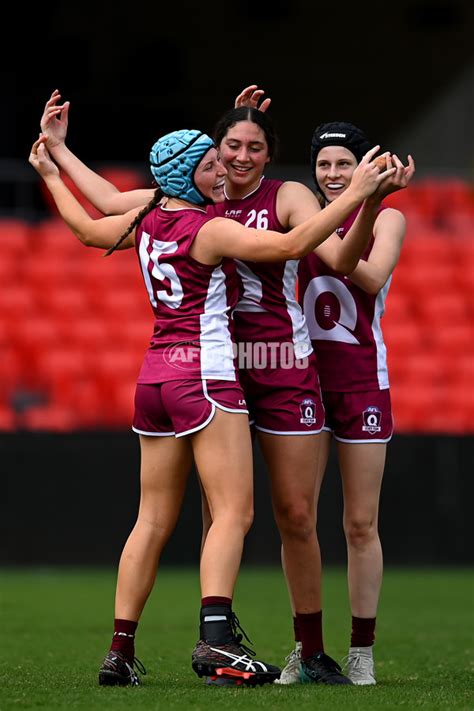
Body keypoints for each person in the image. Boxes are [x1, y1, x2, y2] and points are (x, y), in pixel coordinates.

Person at [38, 88, 410, 687]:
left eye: (253, 147)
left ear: (268, 156)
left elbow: (337, 258)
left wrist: (368, 202)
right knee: (222, 517)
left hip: (280, 366)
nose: (238, 157)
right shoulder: (195, 203)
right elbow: (107, 200)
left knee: (293, 514)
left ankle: (306, 651)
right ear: (208, 158)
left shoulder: (283, 195)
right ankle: (218, 644)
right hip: (220, 372)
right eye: (228, 147)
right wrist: (58, 149)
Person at [274, 122, 415, 686]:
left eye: (344, 165)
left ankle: (361, 651)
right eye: (325, 165)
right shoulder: (300, 213)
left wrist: (366, 202)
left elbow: (373, 275)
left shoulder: (388, 216)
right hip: (301, 381)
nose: (333, 175)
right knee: (297, 520)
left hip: (361, 382)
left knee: (360, 523)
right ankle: (306, 648)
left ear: (364, 165)